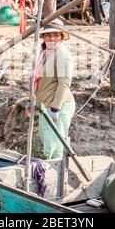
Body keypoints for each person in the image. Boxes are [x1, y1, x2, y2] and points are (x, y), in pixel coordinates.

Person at [27, 19, 75, 159]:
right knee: (49, 143)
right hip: (44, 105)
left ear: (61, 36)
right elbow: (39, 81)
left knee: (53, 148)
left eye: (56, 35)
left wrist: (55, 109)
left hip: (57, 106)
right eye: (49, 35)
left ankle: (54, 178)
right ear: (43, 36)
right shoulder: (44, 53)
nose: (52, 38)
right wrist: (32, 100)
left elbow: (64, 83)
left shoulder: (62, 54)